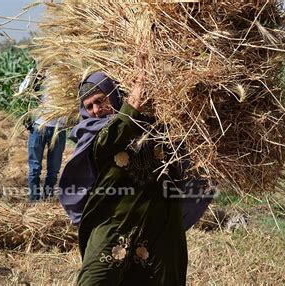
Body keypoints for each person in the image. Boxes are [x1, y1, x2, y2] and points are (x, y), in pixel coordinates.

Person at [58, 71, 213, 285]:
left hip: (159, 224)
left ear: (114, 96)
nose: (96, 110)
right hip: (114, 224)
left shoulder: (154, 124)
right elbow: (121, 126)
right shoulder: (95, 134)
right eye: (89, 106)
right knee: (95, 280)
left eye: (100, 101)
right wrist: (142, 75)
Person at [20, 69, 66, 201]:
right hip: (38, 127)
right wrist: (33, 75)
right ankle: (34, 200)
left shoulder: (67, 73)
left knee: (53, 169)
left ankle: (48, 197)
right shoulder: (38, 73)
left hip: (59, 128)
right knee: (34, 168)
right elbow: (22, 90)